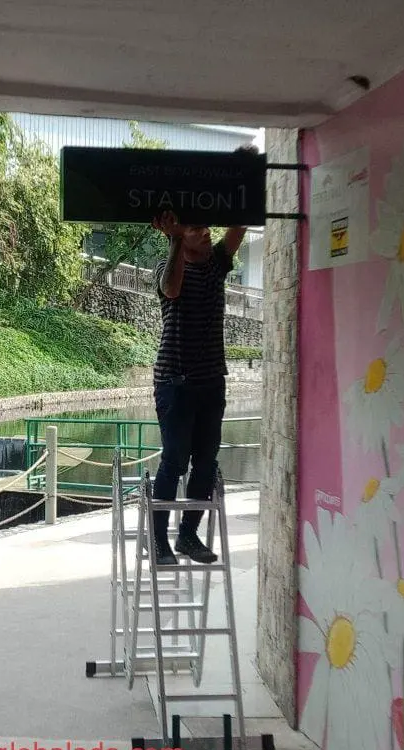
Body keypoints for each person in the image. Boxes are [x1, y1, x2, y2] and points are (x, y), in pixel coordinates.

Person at [148, 155, 253, 566]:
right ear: (180, 238)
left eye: (205, 227)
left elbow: (239, 224)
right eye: (196, 229)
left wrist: (241, 175)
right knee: (173, 459)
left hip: (212, 381)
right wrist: (174, 238)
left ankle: (188, 534)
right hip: (174, 380)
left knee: (206, 461)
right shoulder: (166, 265)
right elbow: (171, 290)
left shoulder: (217, 266)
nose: (206, 233)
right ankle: (159, 541)